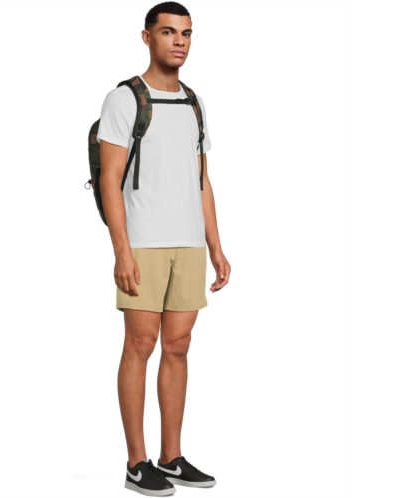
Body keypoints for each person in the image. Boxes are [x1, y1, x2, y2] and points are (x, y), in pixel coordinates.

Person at [97, 2, 231, 495]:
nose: (179, 42)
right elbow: (110, 180)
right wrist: (122, 251)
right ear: (147, 37)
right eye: (169, 32)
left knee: (178, 346)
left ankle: (171, 457)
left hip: (188, 243)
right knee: (140, 345)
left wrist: (216, 246)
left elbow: (202, 180)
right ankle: (137, 464)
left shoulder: (194, 102)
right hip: (144, 242)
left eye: (187, 34)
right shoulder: (124, 99)